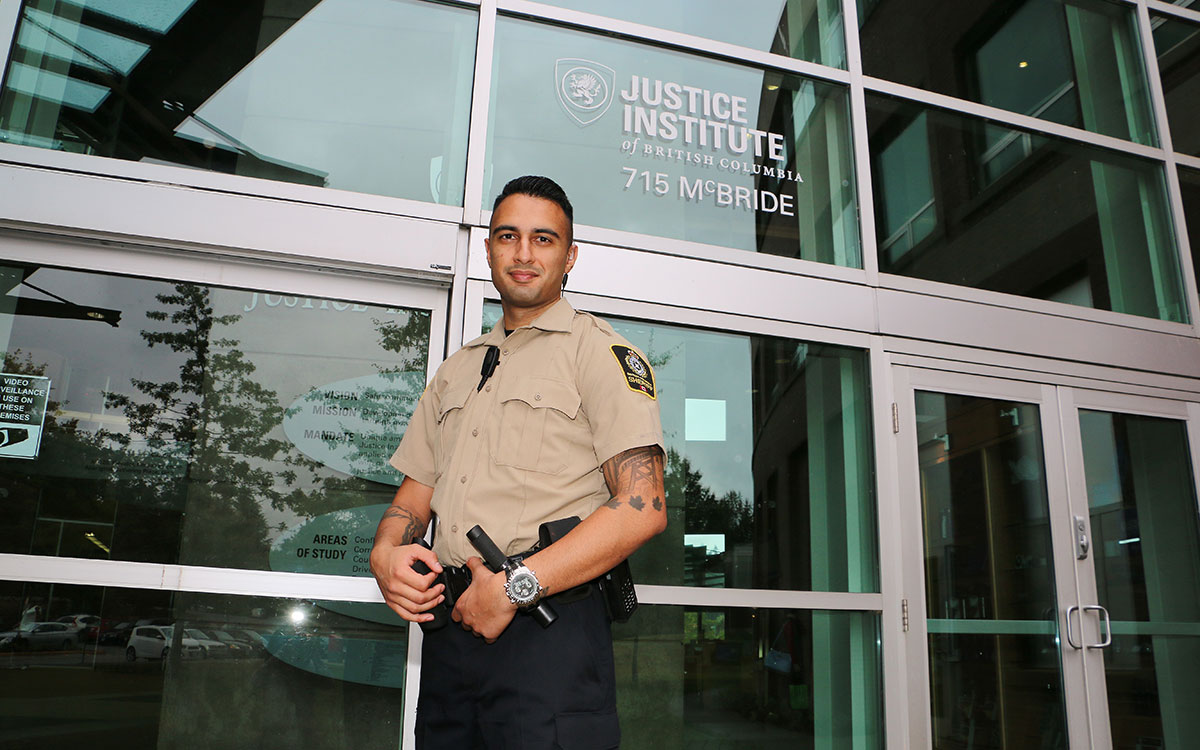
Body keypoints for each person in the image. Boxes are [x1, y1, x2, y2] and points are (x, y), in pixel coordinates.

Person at [370, 175, 666, 749]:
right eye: (508, 236)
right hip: (454, 631)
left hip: (548, 634)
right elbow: (411, 500)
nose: (524, 254)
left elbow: (642, 507)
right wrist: (384, 555)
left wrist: (514, 589)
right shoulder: (458, 368)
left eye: (544, 239)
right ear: (488, 250)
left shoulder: (601, 353)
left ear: (570, 256)